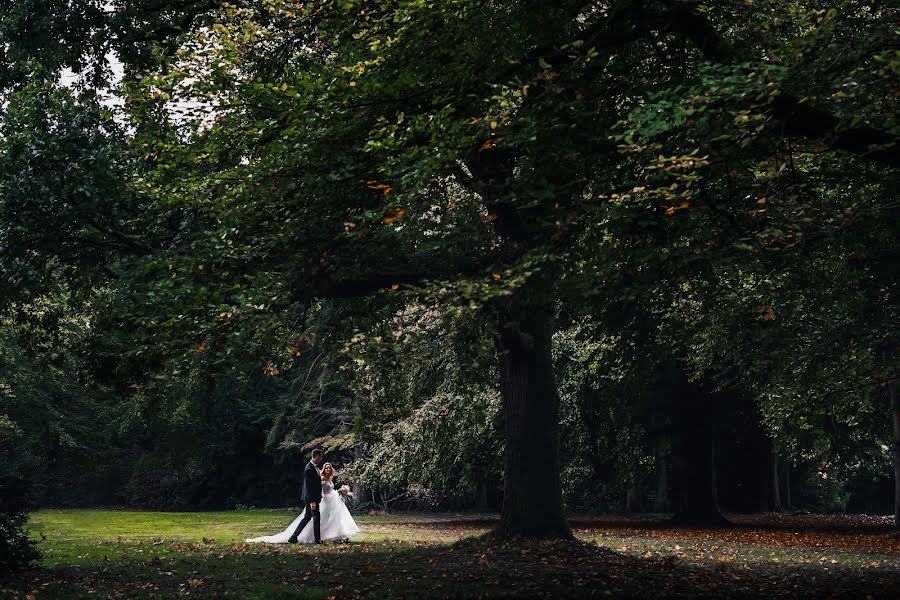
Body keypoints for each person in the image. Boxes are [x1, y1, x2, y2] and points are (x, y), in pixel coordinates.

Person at [245, 450, 359, 544]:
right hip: (313, 499)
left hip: (316, 499)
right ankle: (315, 540)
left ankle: (294, 537)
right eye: (320, 457)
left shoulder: (314, 467)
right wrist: (312, 501)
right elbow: (309, 487)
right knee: (315, 518)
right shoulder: (309, 468)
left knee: (307, 518)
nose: (321, 460)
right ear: (316, 456)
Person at [290, 462, 359, 543]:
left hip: (333, 499)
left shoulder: (331, 478)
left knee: (333, 518)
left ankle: (333, 536)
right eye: (326, 468)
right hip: (324, 499)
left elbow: (330, 489)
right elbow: (317, 489)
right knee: (319, 518)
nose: (328, 469)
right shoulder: (321, 478)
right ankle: (315, 537)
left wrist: (341, 491)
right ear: (324, 469)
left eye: (329, 468)